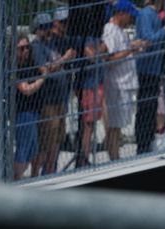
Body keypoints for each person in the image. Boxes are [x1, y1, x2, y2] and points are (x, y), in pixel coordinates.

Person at [31, 9, 78, 176]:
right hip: (48, 101)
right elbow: (45, 69)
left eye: (48, 26)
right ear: (37, 28)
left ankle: (51, 170)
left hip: (60, 98)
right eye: (43, 27)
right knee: (46, 141)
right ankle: (38, 174)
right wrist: (64, 59)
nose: (47, 30)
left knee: (57, 139)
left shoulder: (52, 44)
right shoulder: (36, 46)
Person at [102, 1, 145, 160]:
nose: (131, 20)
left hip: (125, 83)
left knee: (118, 125)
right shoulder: (110, 30)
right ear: (121, 13)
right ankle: (114, 157)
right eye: (129, 16)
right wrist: (130, 50)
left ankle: (116, 155)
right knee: (113, 126)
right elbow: (110, 58)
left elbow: (122, 49)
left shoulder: (121, 30)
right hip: (116, 84)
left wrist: (134, 45)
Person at [135, 0, 165, 154]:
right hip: (146, 69)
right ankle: (142, 145)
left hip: (155, 69)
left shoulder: (155, 14)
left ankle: (148, 141)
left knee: (152, 107)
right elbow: (148, 39)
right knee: (145, 108)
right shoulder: (146, 14)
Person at [14, 34, 46, 179]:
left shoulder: (30, 63)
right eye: (21, 48)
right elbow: (26, 90)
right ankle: (16, 180)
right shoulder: (14, 68)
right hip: (23, 112)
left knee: (33, 149)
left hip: (34, 111)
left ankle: (23, 176)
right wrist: (42, 78)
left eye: (27, 47)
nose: (25, 50)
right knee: (24, 148)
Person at [78, 31, 106, 166]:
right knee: (88, 124)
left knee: (93, 123)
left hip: (98, 83)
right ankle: (84, 156)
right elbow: (91, 55)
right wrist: (101, 49)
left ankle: (86, 154)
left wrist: (99, 50)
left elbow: (105, 49)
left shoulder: (97, 35)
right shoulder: (89, 36)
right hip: (90, 86)